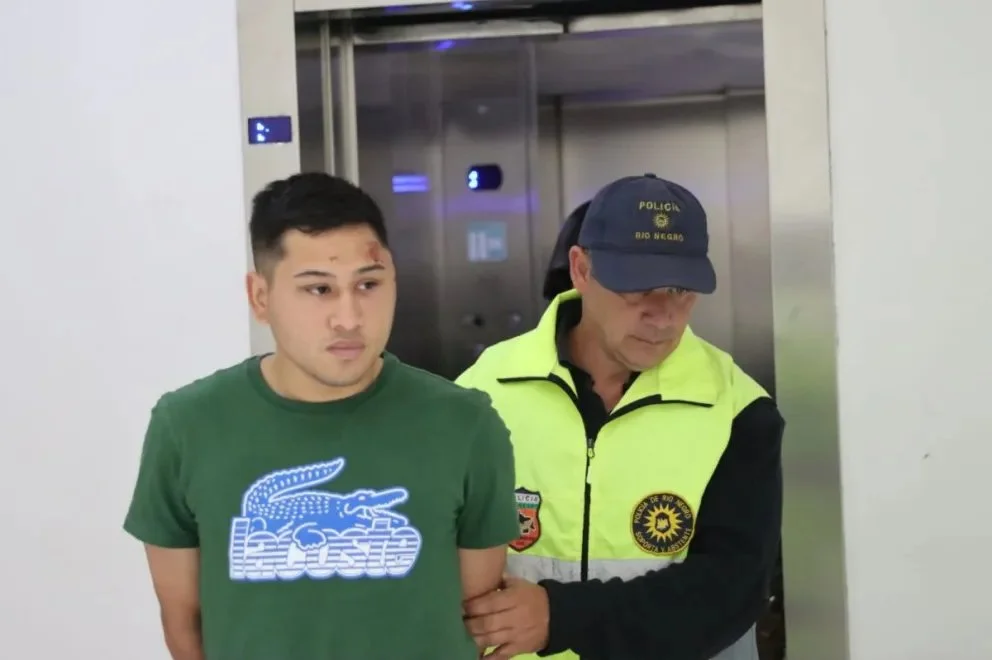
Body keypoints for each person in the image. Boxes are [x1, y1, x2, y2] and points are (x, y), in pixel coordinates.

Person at [122, 172, 520, 660]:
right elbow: (184, 621)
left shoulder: (466, 424)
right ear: (260, 297)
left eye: (368, 284)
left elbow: (473, 617)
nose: (349, 318)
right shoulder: (186, 426)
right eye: (318, 289)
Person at [456, 173, 785, 660]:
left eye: (681, 289)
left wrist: (561, 616)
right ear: (581, 269)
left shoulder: (738, 410)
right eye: (638, 287)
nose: (663, 315)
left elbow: (731, 589)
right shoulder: (480, 394)